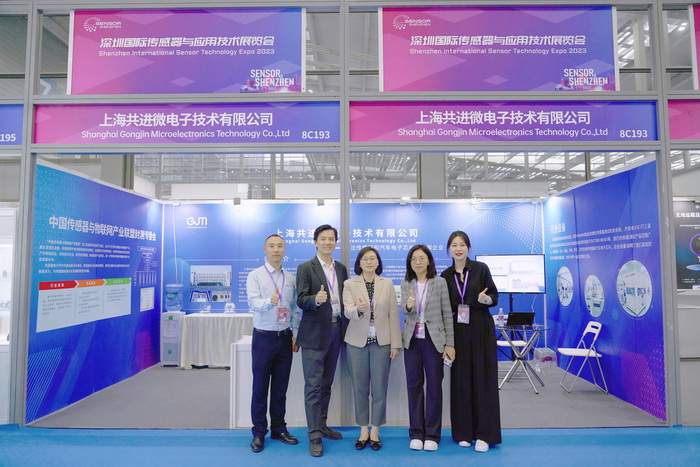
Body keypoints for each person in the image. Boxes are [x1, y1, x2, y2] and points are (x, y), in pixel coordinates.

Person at [440, 230, 502, 453]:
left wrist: (487, 299)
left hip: (481, 327)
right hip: (458, 330)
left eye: (462, 245)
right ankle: (463, 432)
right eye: (454, 245)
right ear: (449, 249)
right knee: (461, 381)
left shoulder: (481, 269)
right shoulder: (445, 276)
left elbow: (494, 296)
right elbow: (444, 307)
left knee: (484, 380)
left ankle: (484, 434)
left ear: (468, 248)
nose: (458, 249)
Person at [296, 224, 349, 457]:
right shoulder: (305, 268)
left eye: (331, 239)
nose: (328, 242)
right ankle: (314, 435)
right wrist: (315, 299)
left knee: (327, 382)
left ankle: (322, 424)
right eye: (323, 239)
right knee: (313, 386)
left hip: (336, 330)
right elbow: (300, 299)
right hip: (314, 334)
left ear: (336, 242)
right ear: (315, 242)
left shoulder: (341, 269)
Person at [342, 247, 401, 452]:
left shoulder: (387, 283)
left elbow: (393, 315)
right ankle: (363, 430)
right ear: (359, 263)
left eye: (372, 258)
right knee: (359, 388)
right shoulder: (350, 284)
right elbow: (347, 311)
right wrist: (358, 309)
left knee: (379, 387)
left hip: (381, 343)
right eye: (365, 259)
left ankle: (375, 430)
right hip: (356, 342)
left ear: (378, 262)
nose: (369, 262)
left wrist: (395, 344)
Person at [246, 234, 301, 453]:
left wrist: (295, 333)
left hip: (285, 338)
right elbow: (252, 303)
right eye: (272, 246)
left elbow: (294, 308)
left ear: (284, 249)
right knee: (260, 388)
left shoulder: (291, 278)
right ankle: (259, 432)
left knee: (280, 388)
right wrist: (269, 302)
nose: (276, 249)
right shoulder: (255, 275)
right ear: (265, 249)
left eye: (279, 246)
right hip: (263, 338)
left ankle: (279, 429)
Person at [400, 244, 455, 452]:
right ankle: (416, 433)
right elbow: (404, 310)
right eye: (414, 259)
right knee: (414, 386)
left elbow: (447, 313)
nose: (418, 262)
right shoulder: (406, 282)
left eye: (422, 258)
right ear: (410, 262)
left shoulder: (439, 282)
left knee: (434, 387)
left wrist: (450, 343)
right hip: (412, 341)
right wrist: (409, 305)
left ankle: (432, 434)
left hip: (434, 341)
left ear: (429, 261)